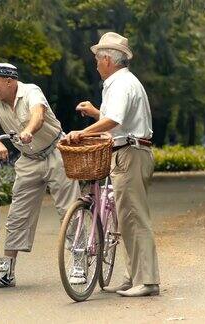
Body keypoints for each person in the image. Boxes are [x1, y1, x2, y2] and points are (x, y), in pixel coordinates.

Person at [65, 32, 160, 297]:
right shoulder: (121, 82)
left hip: (131, 152)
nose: (95, 64)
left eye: (97, 59)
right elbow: (118, 118)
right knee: (126, 218)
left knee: (135, 216)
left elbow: (114, 122)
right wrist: (97, 113)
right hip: (125, 151)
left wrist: (83, 133)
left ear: (107, 59)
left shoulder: (121, 83)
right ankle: (133, 277)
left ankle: (148, 280)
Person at [0, 63, 80, 289]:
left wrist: (28, 131)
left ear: (9, 81)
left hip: (56, 152)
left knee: (69, 209)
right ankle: (8, 273)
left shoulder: (31, 91)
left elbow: (38, 115)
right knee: (17, 213)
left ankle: (79, 261)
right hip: (28, 159)